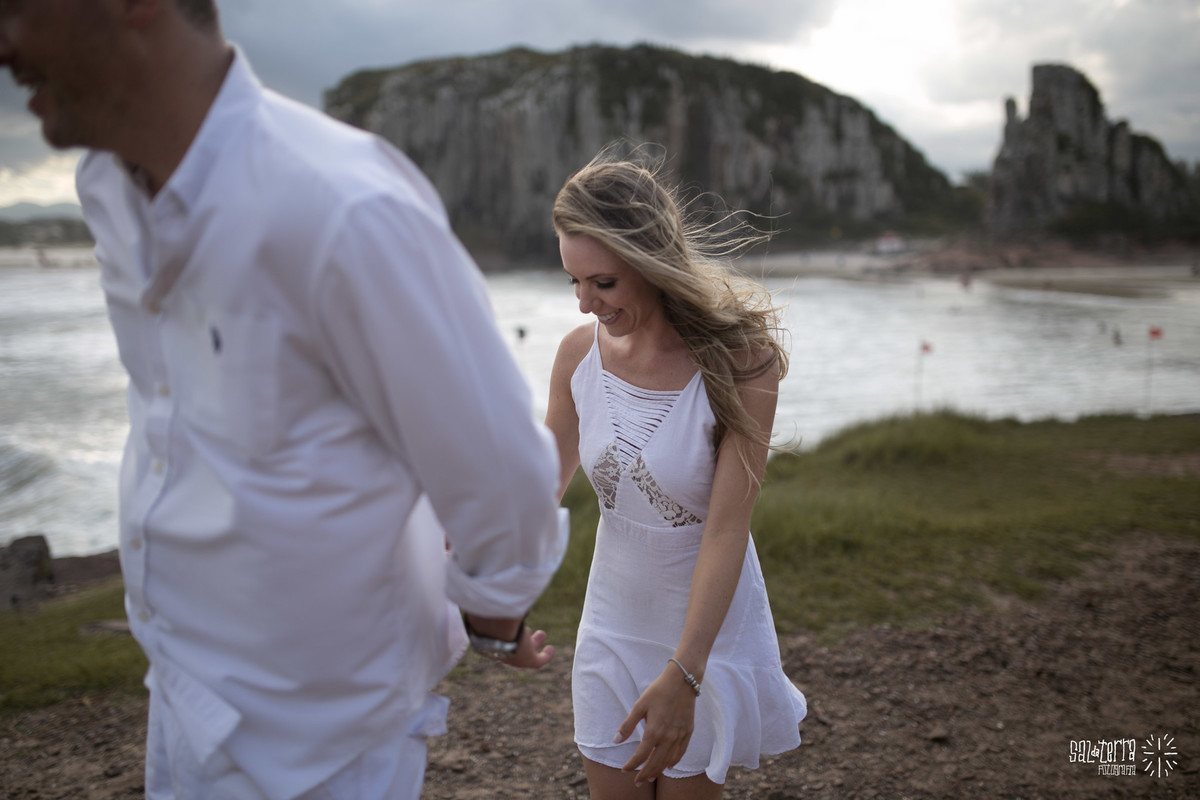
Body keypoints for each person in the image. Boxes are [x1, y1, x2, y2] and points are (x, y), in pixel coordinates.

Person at [1, 2, 567, 798]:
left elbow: (504, 478)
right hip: (179, 705)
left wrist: (491, 619)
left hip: (321, 754)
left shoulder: (341, 207)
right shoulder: (107, 184)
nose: (4, 44)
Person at [545, 150, 807, 799]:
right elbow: (537, 486)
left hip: (702, 637)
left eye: (602, 283)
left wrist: (686, 674)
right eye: (573, 282)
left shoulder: (743, 365)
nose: (584, 304)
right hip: (609, 623)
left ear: (649, 262)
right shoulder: (578, 356)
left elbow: (726, 533)